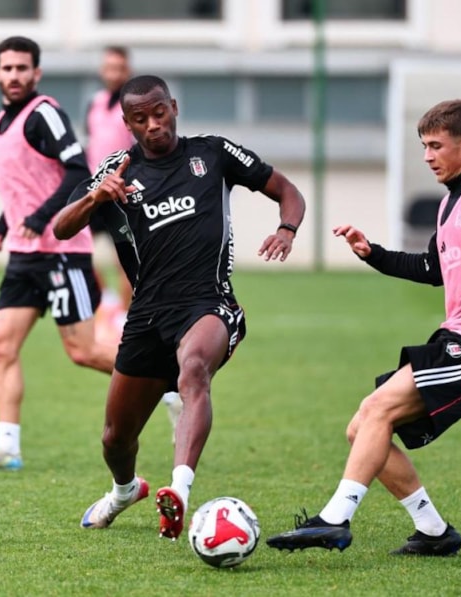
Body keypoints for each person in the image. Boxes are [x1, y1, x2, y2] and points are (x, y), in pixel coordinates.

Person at [266, 98, 461, 556]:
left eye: (435, 146)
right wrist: (372, 253)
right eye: (424, 147)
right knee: (362, 427)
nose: (427, 156)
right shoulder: (450, 203)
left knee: (377, 409)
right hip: (457, 338)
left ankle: (334, 519)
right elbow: (433, 269)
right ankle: (433, 531)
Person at [52, 75, 306, 538]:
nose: (154, 125)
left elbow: (287, 190)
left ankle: (180, 491)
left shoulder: (213, 153)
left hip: (208, 302)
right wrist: (96, 196)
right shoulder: (116, 170)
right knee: (115, 439)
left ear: (173, 107)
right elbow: (62, 228)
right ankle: (125, 490)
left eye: (159, 113)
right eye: (141, 119)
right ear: (127, 123)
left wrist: (286, 229)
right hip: (147, 315)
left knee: (194, 372)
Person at [0, 36, 117, 471]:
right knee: (0, 345)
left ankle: (169, 383)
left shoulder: (45, 113)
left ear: (36, 73)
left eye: (22, 68)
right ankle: (7, 447)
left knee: (83, 351)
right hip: (24, 254)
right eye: (7, 68)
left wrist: (42, 217)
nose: (14, 75)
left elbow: (79, 171)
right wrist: (2, 226)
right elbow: (23, 189)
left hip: (62, 252)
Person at [84, 46, 183, 433]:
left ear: (127, 69)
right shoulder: (95, 104)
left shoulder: (138, 107)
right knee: (85, 251)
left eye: (119, 66)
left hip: (128, 189)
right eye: (108, 65)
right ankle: (110, 304)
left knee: (129, 257)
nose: (113, 71)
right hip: (99, 188)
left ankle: (126, 316)